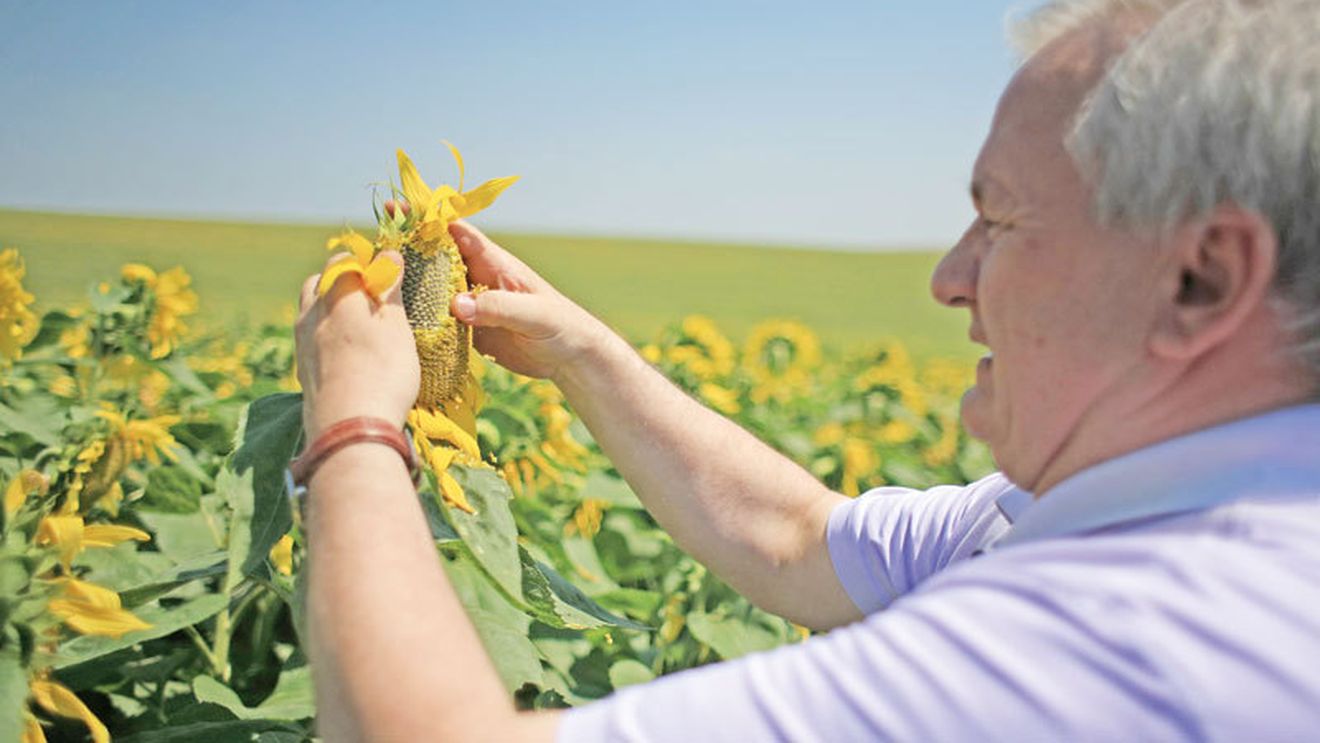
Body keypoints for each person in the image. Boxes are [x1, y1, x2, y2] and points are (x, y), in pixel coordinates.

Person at [292, 0, 1320, 739]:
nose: (949, 277)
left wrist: (352, 422)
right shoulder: (1097, 509)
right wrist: (585, 356)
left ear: (1201, 277)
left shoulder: (1135, 639)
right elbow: (800, 540)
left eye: (1002, 220)